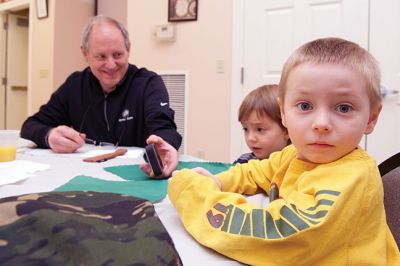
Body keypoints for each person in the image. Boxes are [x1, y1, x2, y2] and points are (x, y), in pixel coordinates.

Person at [168, 37, 400, 265]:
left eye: (343, 107)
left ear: (371, 118)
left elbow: (275, 234)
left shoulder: (352, 177)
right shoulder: (295, 154)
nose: (321, 123)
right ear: (284, 113)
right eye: (305, 106)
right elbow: (254, 172)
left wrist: (191, 192)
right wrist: (218, 182)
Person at [20, 15, 181, 177]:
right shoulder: (75, 85)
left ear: (129, 49)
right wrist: (50, 135)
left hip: (134, 176)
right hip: (84, 177)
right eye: (101, 56)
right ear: (85, 53)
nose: (111, 65)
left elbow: (164, 127)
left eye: (118, 55)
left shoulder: (148, 83)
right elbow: (30, 125)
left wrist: (165, 145)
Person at [234, 84, 290, 164]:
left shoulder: (295, 165)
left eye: (259, 129)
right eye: (246, 129)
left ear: (287, 130)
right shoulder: (244, 162)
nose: (250, 138)